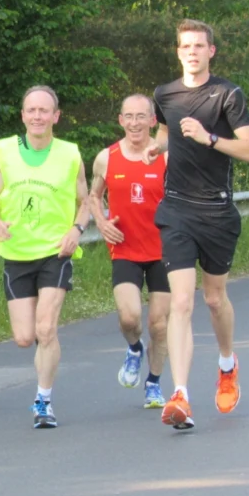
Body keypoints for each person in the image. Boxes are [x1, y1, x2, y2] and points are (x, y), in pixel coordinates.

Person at [143, 19, 249, 430]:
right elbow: (164, 129)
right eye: (185, 46)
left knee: (214, 300)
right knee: (180, 302)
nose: (191, 51)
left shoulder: (227, 94)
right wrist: (156, 148)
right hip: (176, 210)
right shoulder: (165, 93)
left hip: (216, 211)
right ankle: (180, 395)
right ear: (177, 52)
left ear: (211, 51)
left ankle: (227, 364)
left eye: (199, 45)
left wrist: (208, 137)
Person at [0, 85, 89, 428]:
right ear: (23, 115)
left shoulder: (71, 154)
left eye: (45, 110)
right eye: (32, 110)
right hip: (16, 253)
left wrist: (76, 230)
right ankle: (43, 374)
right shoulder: (3, 151)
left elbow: (85, 200)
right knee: (24, 337)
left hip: (55, 252)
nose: (38, 116)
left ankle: (43, 400)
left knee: (46, 329)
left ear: (56, 116)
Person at [89, 94, 171, 409]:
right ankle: (134, 348)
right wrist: (101, 221)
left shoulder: (166, 158)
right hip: (124, 248)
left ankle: (153, 384)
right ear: (121, 120)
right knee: (129, 317)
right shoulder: (106, 158)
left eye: (142, 116)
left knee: (160, 324)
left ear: (153, 121)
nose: (135, 123)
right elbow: (94, 196)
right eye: (129, 116)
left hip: (163, 249)